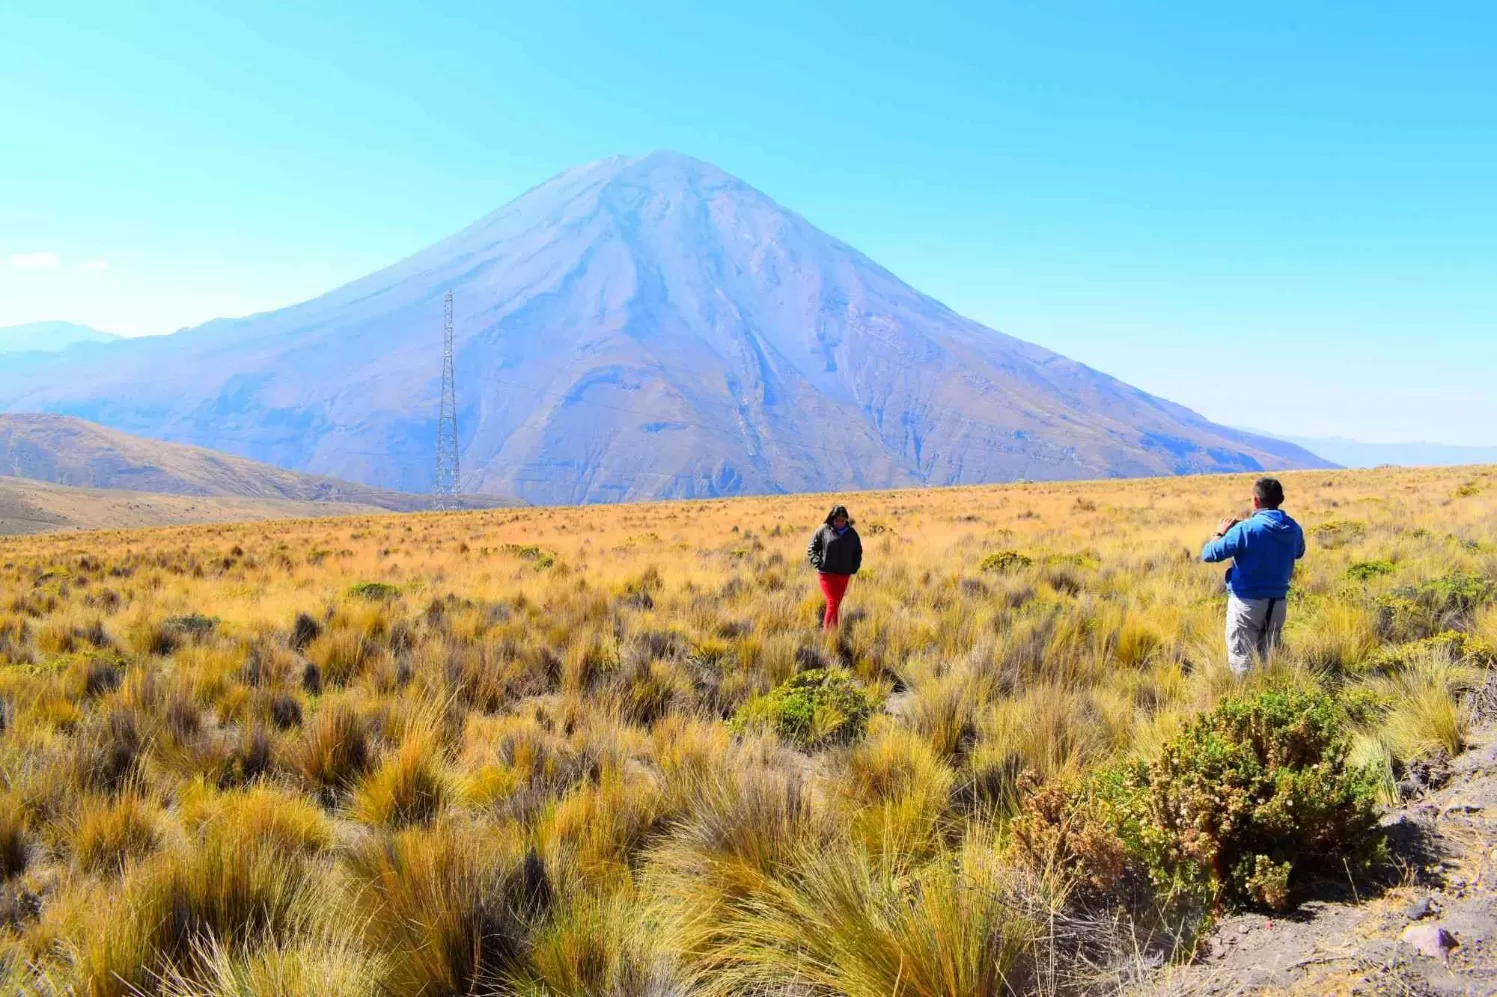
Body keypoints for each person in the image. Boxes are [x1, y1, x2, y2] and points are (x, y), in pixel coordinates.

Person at [1201, 477, 1307, 676]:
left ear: (1256, 501)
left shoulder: (1245, 529)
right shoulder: (1293, 528)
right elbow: (1299, 552)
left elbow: (1209, 554)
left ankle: (1246, 695)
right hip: (1277, 604)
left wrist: (1220, 533)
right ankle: (1269, 692)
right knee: (1269, 657)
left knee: (1241, 660)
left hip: (1246, 604)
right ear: (1281, 499)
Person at [806, 504, 863, 631]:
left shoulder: (852, 534)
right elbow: (812, 548)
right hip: (826, 574)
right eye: (837, 520)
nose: (839, 523)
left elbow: (858, 552)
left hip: (844, 574)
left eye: (842, 520)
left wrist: (854, 567)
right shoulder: (823, 530)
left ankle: (834, 632)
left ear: (846, 520)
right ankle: (827, 634)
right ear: (832, 518)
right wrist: (818, 562)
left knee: (836, 604)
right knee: (832, 602)